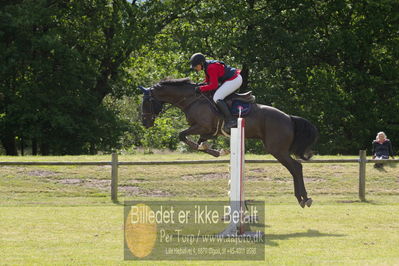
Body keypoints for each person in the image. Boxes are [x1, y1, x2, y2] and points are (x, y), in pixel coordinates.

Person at [189, 52, 242, 132]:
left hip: (235, 79)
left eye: (196, 66)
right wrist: (200, 85)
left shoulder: (211, 67)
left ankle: (231, 120)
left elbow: (213, 85)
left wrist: (201, 89)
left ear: (201, 63)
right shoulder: (206, 66)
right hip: (230, 79)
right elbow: (208, 80)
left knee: (217, 97)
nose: (195, 68)